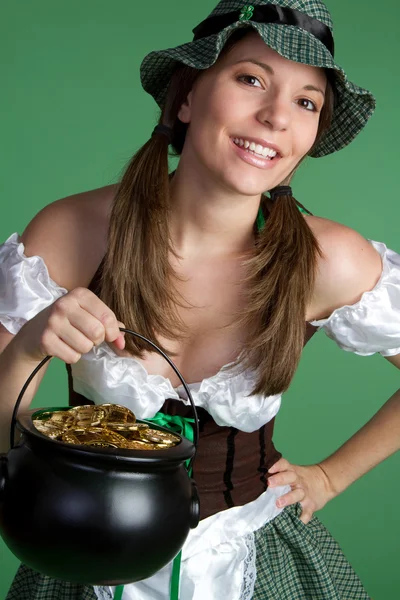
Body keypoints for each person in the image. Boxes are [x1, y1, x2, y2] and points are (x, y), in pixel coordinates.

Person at [1, 0, 399, 598]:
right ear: (186, 97)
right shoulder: (73, 232)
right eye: (251, 79)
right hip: (82, 556)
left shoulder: (325, 260)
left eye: (306, 102)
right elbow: (5, 441)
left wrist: (330, 477)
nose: (276, 117)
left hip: (255, 559)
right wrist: (31, 344)